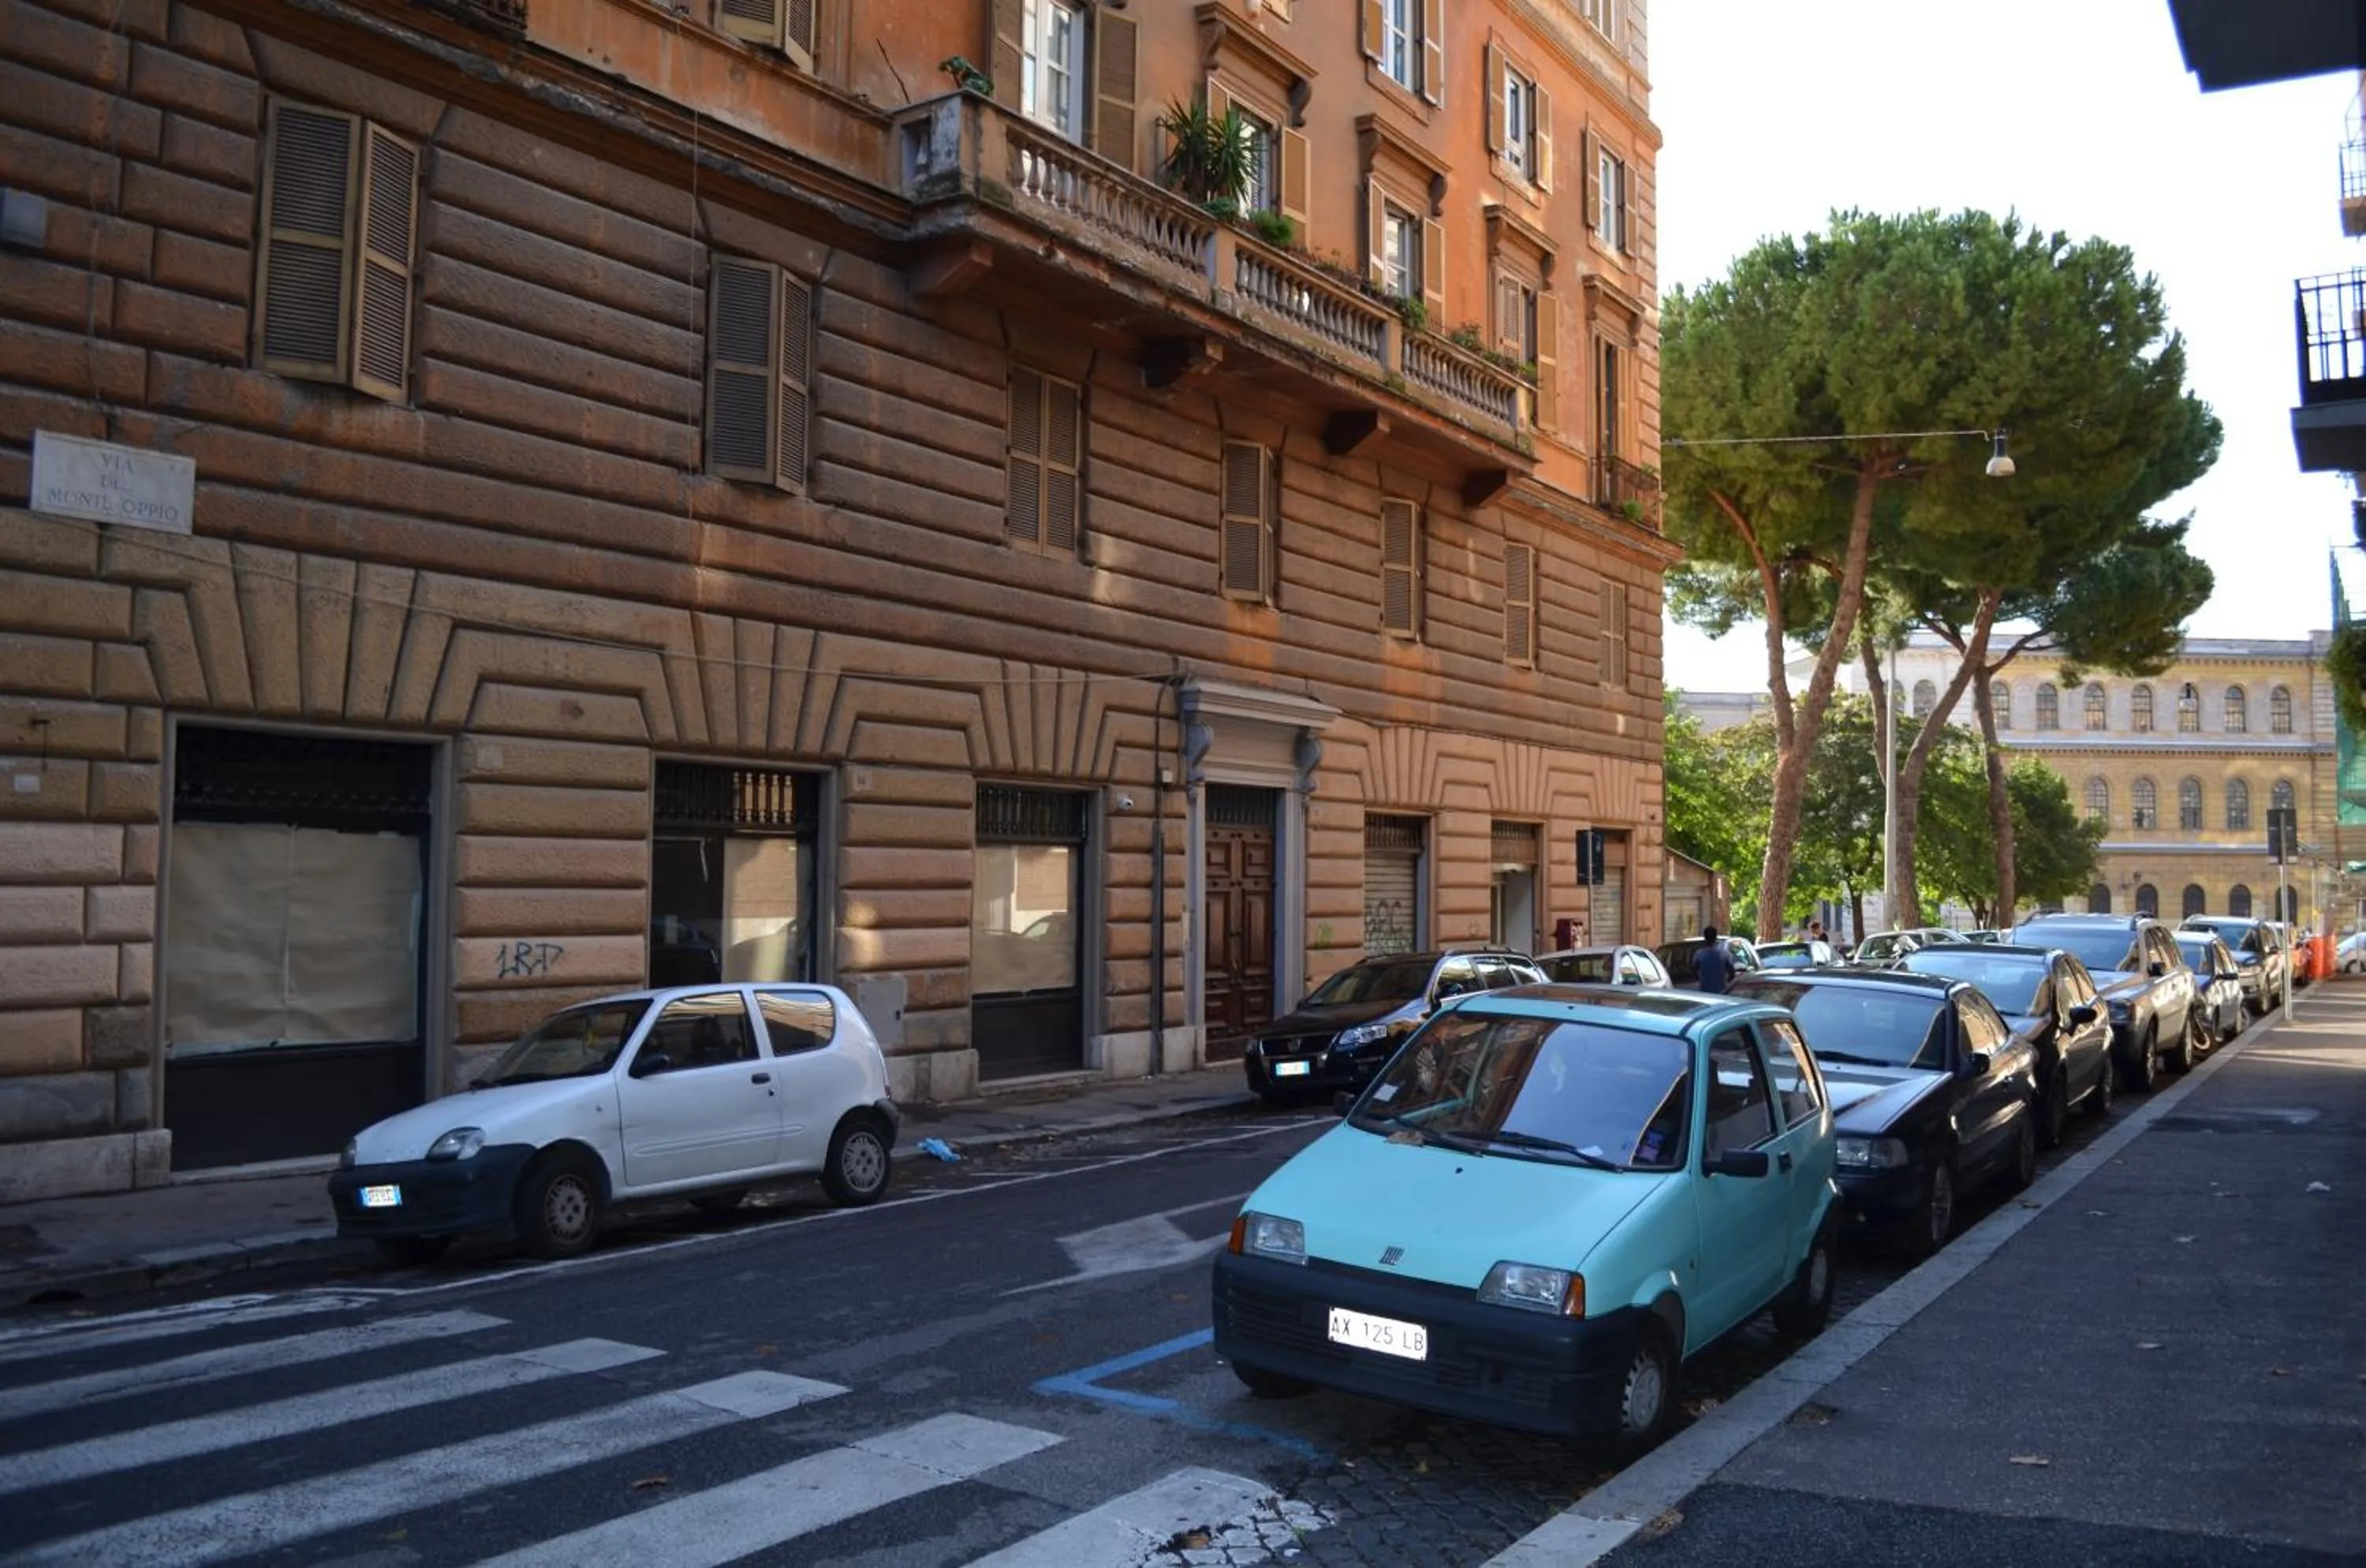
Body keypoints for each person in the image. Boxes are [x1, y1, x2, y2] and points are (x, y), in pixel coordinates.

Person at [1693, 924, 1733, 994]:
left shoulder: (1699, 955)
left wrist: (1701, 980)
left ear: (1705, 938)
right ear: (1716, 938)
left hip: (1704, 992)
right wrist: (1726, 983)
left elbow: (1694, 971)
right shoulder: (1725, 954)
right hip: (1721, 992)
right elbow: (1732, 973)